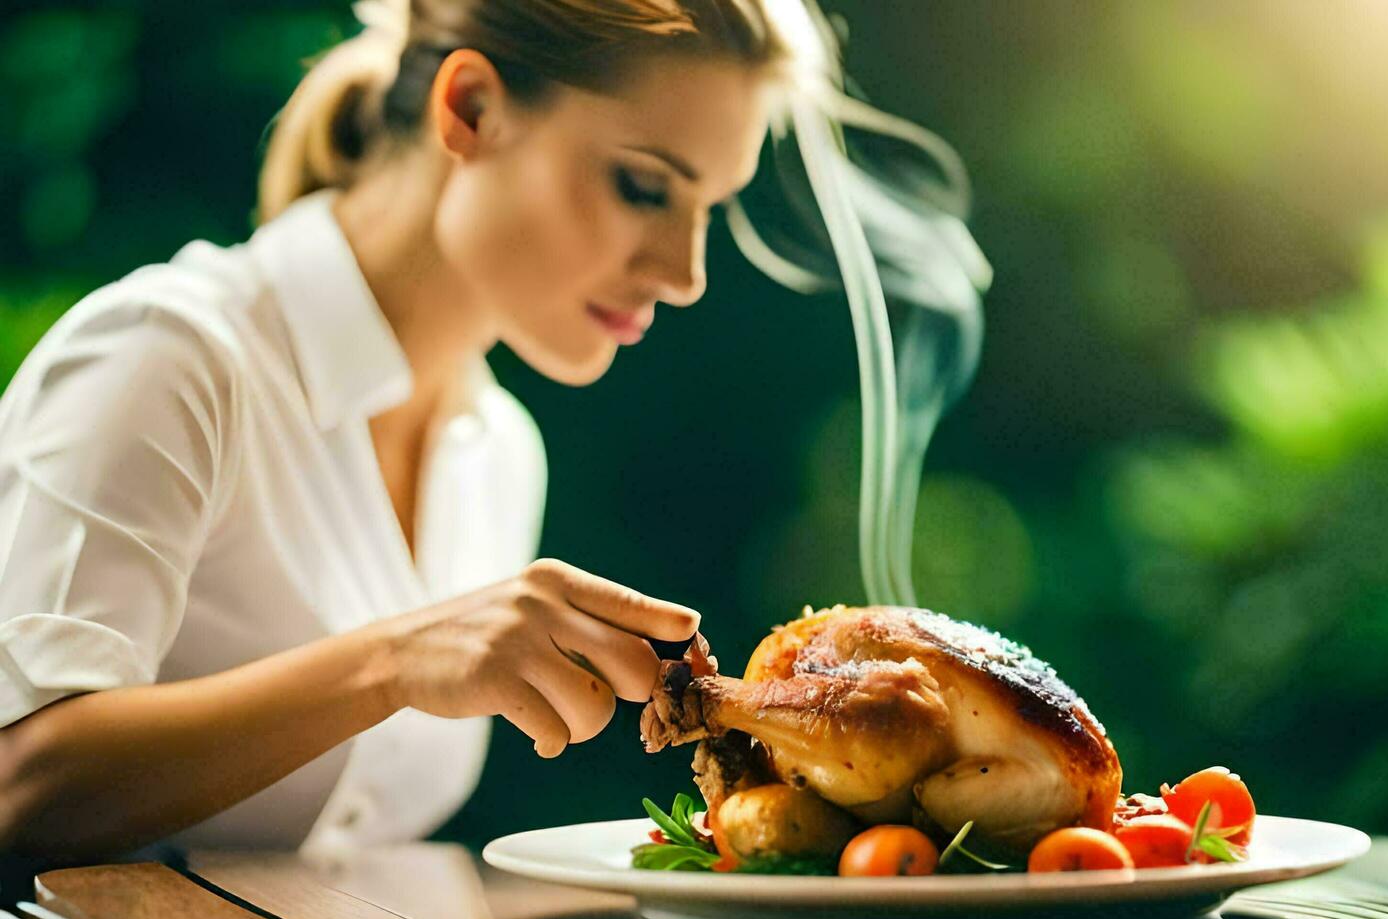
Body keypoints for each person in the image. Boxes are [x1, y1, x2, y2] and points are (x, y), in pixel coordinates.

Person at [0, 0, 977, 862]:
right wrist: (393, 661)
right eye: (645, 186)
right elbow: (20, 786)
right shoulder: (170, 359)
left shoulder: (497, 451)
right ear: (470, 108)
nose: (684, 274)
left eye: (706, 210)